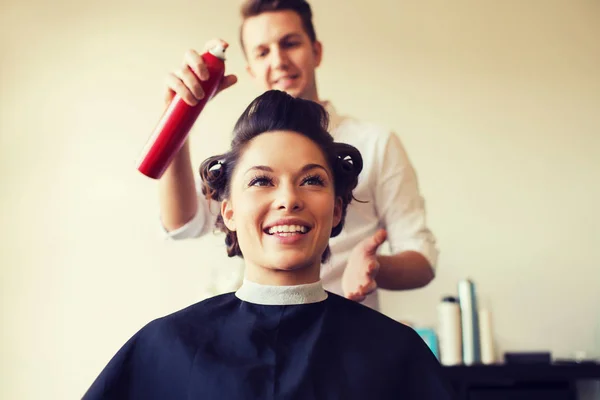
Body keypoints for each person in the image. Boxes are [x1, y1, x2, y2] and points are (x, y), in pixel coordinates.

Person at [85, 90, 453, 399]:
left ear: (337, 209)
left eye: (311, 180)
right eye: (262, 181)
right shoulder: (166, 348)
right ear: (227, 211)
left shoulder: (394, 354)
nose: (288, 199)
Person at [159, 0, 438, 310]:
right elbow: (183, 224)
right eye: (262, 52)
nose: (279, 61)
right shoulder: (246, 154)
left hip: (345, 335)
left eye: (290, 43)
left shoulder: (376, 144)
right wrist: (177, 119)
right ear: (251, 69)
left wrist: (375, 266)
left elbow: (421, 259)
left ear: (316, 51)